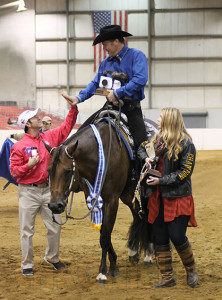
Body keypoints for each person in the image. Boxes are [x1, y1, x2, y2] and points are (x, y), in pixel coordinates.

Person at [62, 24, 149, 166]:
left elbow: (140, 79)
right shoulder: (105, 63)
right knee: (81, 134)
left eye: (105, 45)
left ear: (116, 41)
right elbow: (95, 83)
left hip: (131, 108)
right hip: (109, 106)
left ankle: (144, 177)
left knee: (142, 149)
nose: (104, 49)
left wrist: (118, 93)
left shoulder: (136, 56)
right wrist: (78, 98)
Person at [10, 98, 78, 276]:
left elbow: (65, 129)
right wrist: (29, 165)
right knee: (27, 230)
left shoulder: (48, 137)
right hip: (28, 192)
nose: (39, 118)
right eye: (34, 117)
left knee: (55, 226)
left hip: (48, 190)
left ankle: (52, 257)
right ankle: (27, 264)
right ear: (28, 124)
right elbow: (15, 172)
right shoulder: (18, 147)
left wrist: (73, 108)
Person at [139, 107, 198, 288]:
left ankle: (191, 270)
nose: (157, 119)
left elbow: (184, 173)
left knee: (178, 236)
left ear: (169, 121)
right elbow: (141, 149)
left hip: (178, 197)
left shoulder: (187, 144)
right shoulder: (157, 140)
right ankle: (167, 278)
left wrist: (161, 181)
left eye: (160, 117)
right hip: (159, 197)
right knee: (160, 238)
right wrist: (146, 159)